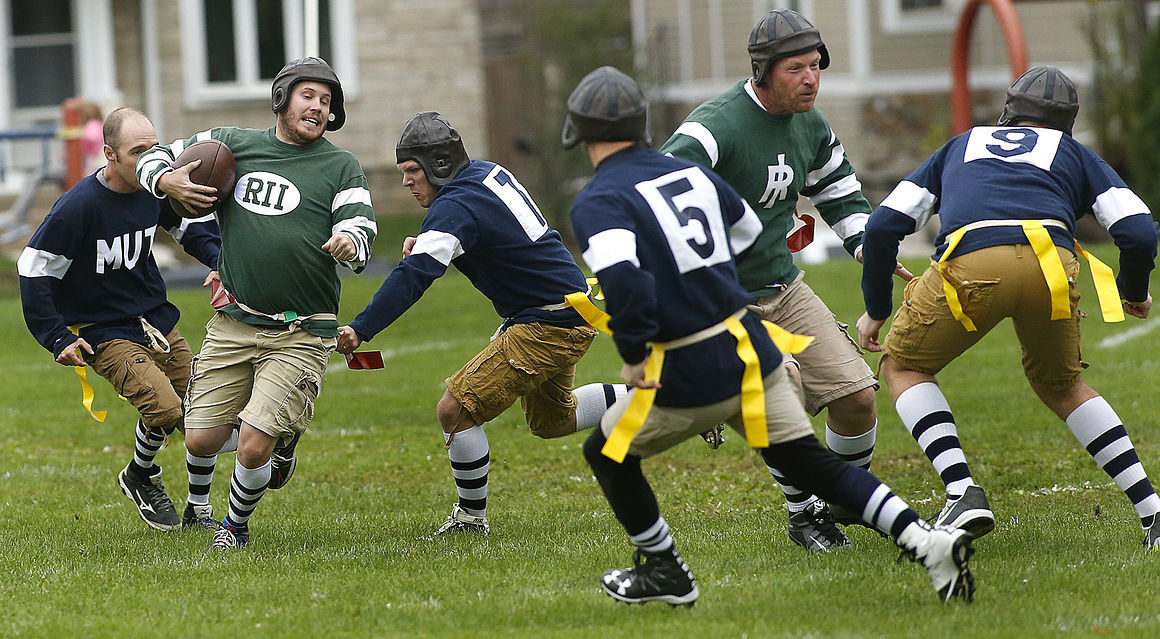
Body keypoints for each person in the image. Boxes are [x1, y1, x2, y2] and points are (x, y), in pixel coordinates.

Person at [564, 65, 976, 607]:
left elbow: (623, 281)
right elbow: (744, 232)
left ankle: (665, 569)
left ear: (581, 135)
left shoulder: (597, 200)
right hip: (750, 346)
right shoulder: (688, 175)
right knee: (812, 464)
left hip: (692, 364)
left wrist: (636, 352)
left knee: (608, 454)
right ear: (641, 124)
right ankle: (926, 543)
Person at [857, 65, 1160, 549]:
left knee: (905, 366)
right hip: (1053, 266)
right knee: (1062, 385)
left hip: (974, 259)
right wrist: (1134, 289)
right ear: (1066, 123)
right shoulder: (1073, 153)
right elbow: (1140, 229)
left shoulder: (961, 145)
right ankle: (1152, 511)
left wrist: (876, 306)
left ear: (1009, 110)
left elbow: (882, 227)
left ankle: (961, 490)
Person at [659, 9, 911, 551]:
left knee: (858, 398)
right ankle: (803, 516)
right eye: (797, 68)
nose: (811, 78)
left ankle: (837, 499)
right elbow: (654, 194)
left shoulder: (812, 124)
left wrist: (871, 247)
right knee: (784, 390)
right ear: (764, 72)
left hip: (784, 287)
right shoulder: (714, 127)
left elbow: (839, 192)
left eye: (817, 66)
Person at [336, 111, 628, 537]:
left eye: (412, 171)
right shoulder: (486, 173)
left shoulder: (454, 205)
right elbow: (498, 239)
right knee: (553, 422)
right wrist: (440, 247)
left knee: (455, 409)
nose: (406, 182)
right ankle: (666, 394)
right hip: (567, 310)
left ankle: (471, 520)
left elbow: (414, 276)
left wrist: (361, 329)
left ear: (438, 165)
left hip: (544, 322)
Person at [136, 57, 378, 550]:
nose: (318, 107)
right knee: (201, 438)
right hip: (234, 322)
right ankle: (274, 447)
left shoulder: (341, 164)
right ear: (282, 98)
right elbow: (157, 154)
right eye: (309, 96)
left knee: (250, 445)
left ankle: (234, 528)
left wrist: (350, 240)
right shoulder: (231, 143)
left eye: (327, 102)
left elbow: (362, 224)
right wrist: (167, 182)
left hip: (303, 329)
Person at [18, 107, 222, 532]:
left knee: (201, 415)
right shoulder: (79, 207)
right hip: (104, 331)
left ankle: (152, 481)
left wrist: (228, 265)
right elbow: (33, 268)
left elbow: (188, 231)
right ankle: (143, 475)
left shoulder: (155, 188)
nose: (152, 160)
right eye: (138, 152)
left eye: (156, 148)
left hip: (156, 320)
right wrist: (57, 337)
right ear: (109, 154)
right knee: (165, 408)